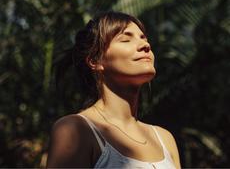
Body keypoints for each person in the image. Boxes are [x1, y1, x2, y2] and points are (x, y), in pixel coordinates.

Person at [46, 11, 181, 168]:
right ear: (96, 61)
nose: (146, 45)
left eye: (144, 38)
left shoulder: (164, 139)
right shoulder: (76, 130)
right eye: (125, 40)